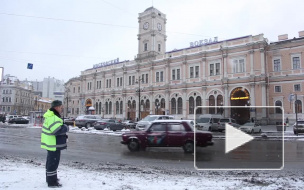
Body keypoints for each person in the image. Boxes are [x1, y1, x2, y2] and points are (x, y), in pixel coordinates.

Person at [41, 100, 69, 188]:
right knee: (53, 163)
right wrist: (66, 127)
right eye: (61, 107)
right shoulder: (53, 117)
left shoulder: (51, 116)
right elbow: (56, 131)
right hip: (53, 144)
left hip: (52, 144)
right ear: (56, 107)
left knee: (51, 162)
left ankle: (51, 178)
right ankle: (52, 182)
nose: (62, 109)